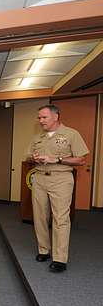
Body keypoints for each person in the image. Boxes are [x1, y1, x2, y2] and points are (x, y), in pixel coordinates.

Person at [25, 104, 89, 272]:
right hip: (39, 178)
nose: (40, 120)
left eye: (44, 117)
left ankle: (60, 259)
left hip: (61, 179)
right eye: (39, 118)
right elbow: (27, 155)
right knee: (39, 217)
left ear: (56, 117)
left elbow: (81, 160)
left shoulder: (71, 134)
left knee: (60, 218)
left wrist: (57, 159)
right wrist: (34, 157)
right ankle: (43, 250)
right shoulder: (38, 137)